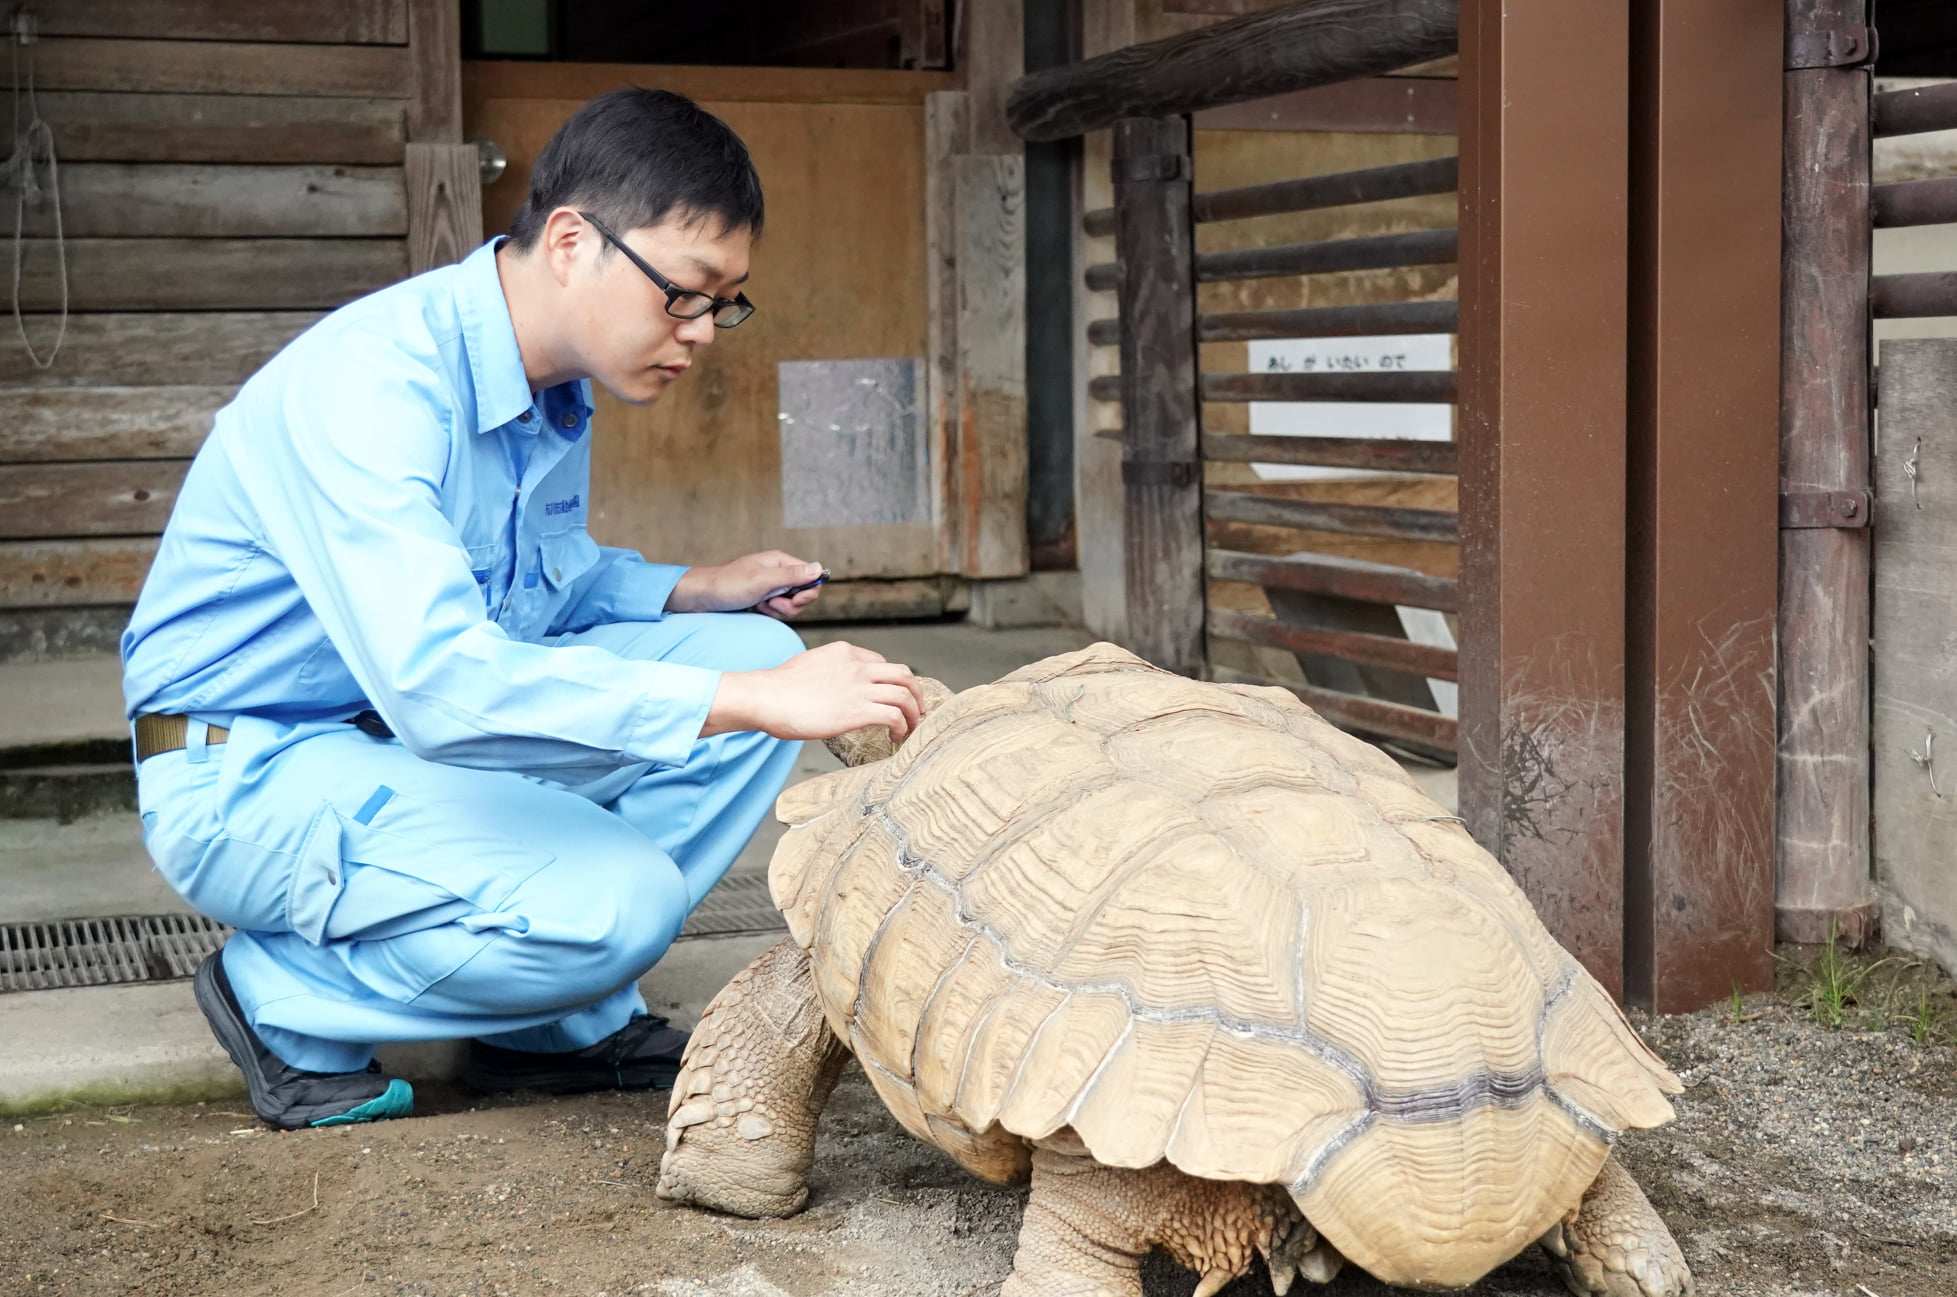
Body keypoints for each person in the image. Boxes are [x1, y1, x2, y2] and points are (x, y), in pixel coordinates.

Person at [120, 88, 924, 1131]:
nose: (704, 333)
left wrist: (693, 591)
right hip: (251, 764)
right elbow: (446, 683)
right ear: (571, 242)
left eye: (725, 302)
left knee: (749, 643)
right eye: (685, 294)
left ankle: (546, 1018)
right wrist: (751, 694)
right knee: (630, 886)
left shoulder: (549, 388)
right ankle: (280, 995)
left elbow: (533, 589)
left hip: (395, 750)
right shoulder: (372, 390)